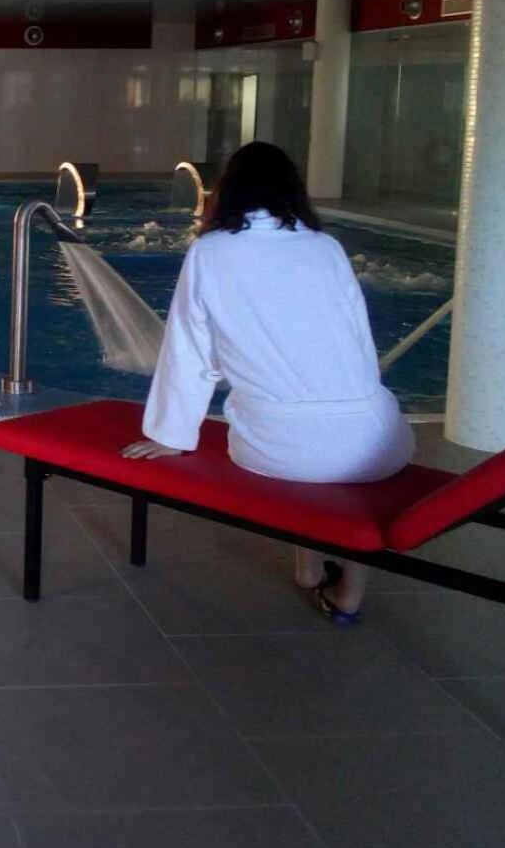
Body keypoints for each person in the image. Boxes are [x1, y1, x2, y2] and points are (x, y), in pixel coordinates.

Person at [121, 141, 414, 624]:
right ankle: (346, 586)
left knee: (296, 442)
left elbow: (189, 350)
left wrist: (172, 434)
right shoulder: (326, 248)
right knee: (329, 431)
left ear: (227, 189)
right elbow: (358, 343)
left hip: (278, 448)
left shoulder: (210, 252)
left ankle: (309, 567)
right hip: (378, 443)